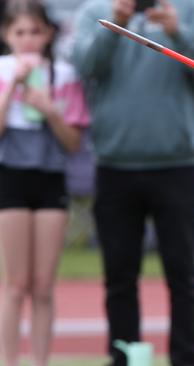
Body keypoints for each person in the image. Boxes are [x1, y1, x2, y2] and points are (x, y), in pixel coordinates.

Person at [70, 0, 194, 365]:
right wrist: (118, 20)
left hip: (177, 164)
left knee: (182, 273)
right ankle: (124, 359)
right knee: (119, 276)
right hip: (115, 164)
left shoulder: (191, 8)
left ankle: (186, 359)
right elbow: (83, 67)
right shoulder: (94, 9)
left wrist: (177, 32)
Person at [0, 1, 89, 365]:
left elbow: (72, 143)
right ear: (7, 36)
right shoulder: (3, 72)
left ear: (49, 35)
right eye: (20, 32)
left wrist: (49, 108)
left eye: (35, 31)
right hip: (11, 179)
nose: (28, 40)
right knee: (16, 283)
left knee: (43, 284)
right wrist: (12, 92)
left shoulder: (65, 76)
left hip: (50, 179)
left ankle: (40, 360)